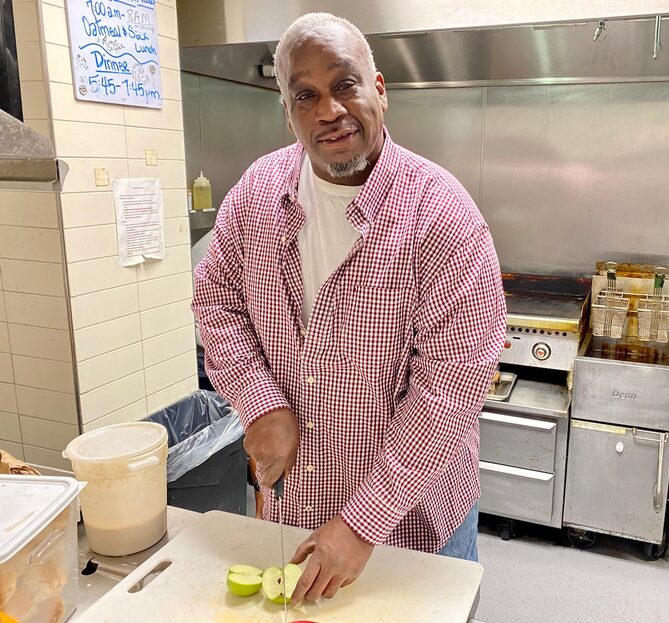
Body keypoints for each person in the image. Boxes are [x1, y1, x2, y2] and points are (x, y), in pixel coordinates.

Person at [192, 11, 505, 605]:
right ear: (287, 112)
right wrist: (261, 406)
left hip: (415, 522)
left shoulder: (443, 217)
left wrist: (362, 523)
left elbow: (449, 394)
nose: (328, 111)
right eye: (304, 94)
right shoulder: (256, 196)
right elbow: (215, 300)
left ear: (379, 90)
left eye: (344, 84)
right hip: (296, 502)